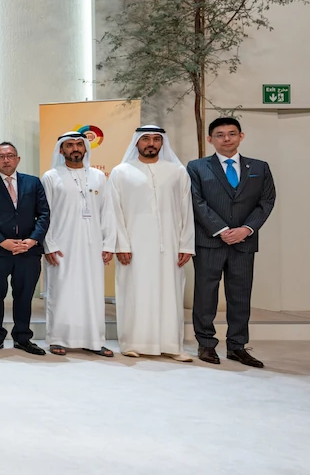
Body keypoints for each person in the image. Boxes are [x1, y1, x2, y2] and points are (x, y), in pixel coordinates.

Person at [188, 117, 276, 368]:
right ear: (210, 139)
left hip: (244, 242)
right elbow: (196, 201)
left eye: (231, 133)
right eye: (220, 135)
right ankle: (206, 343)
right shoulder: (197, 167)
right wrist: (222, 230)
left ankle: (237, 346)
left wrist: (246, 229)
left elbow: (266, 201)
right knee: (206, 295)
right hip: (209, 241)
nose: (226, 138)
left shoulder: (259, 167)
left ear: (241, 136)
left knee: (240, 295)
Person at [109, 126, 195, 361]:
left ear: (162, 143)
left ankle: (172, 345)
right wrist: (121, 245)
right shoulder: (121, 172)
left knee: (170, 294)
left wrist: (186, 245)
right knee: (135, 293)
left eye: (156, 139)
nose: (151, 143)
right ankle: (132, 343)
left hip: (170, 246)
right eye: (145, 139)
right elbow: (114, 211)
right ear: (137, 142)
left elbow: (186, 210)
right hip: (134, 246)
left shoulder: (177, 171)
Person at [41, 132, 117, 357]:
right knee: (62, 291)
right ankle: (58, 338)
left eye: (79, 144)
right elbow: (45, 214)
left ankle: (94, 340)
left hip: (92, 244)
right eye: (69, 145)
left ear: (85, 148)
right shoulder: (51, 176)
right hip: (62, 244)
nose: (75, 148)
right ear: (61, 150)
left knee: (92, 292)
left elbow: (107, 210)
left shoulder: (98, 176)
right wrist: (49, 244)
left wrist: (108, 243)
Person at [0, 142, 50, 355]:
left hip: (28, 250)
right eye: (1, 156)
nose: (6, 160)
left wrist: (32, 240)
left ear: (18, 159)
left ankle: (23, 337)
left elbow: (44, 213)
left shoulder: (33, 183)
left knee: (24, 295)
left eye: (10, 155)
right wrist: (3, 241)